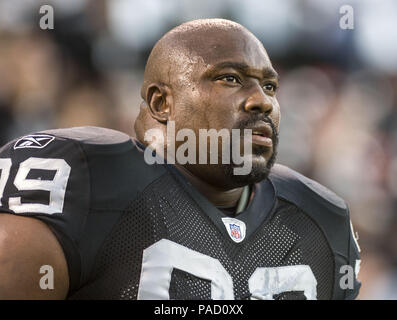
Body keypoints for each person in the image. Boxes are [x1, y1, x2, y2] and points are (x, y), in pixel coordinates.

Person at [0, 19, 360, 300]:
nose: (261, 101)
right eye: (230, 79)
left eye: (269, 86)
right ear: (161, 103)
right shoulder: (83, 180)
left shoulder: (319, 220)